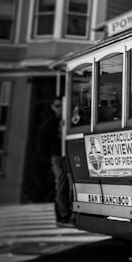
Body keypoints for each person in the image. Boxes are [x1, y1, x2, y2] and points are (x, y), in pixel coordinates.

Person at [38, 96, 72, 225]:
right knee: (61, 185)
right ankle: (63, 214)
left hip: (67, 155)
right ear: (53, 108)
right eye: (57, 106)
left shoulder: (68, 121)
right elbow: (42, 144)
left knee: (67, 184)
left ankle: (67, 212)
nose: (60, 109)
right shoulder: (49, 125)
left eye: (62, 106)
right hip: (57, 156)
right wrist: (50, 161)